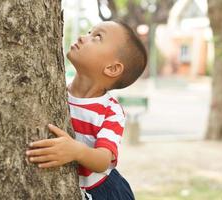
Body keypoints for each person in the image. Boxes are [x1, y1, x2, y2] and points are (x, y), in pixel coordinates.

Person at [26, 21, 147, 200]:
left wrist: (76, 151)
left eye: (97, 37)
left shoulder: (111, 111)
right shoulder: (55, 94)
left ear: (112, 68)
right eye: (90, 32)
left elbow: (103, 161)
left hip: (102, 192)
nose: (83, 37)